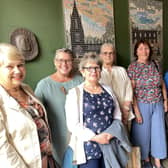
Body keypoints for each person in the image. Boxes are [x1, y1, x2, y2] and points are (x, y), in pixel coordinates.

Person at [65, 53, 131, 168]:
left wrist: (110, 134)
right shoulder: (75, 93)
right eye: (89, 68)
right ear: (82, 71)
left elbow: (117, 115)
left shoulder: (108, 90)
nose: (93, 71)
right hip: (89, 148)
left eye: (97, 68)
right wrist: (96, 138)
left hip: (109, 143)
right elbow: (73, 125)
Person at [0, 43, 58, 168]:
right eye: (10, 66)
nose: (17, 70)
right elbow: (2, 149)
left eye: (20, 65)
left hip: (47, 160)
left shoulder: (26, 88)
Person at [35, 48, 83, 167]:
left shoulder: (81, 81)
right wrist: (45, 141)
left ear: (73, 62)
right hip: (57, 138)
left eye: (68, 61)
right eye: (61, 60)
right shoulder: (44, 85)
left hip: (80, 135)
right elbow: (36, 115)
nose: (64, 64)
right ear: (55, 62)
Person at [127, 39, 167, 168]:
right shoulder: (133, 67)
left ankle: (157, 159)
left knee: (159, 132)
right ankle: (145, 159)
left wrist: (166, 100)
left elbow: (162, 84)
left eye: (147, 48)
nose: (145, 51)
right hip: (141, 103)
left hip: (157, 102)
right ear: (136, 52)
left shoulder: (156, 63)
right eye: (141, 48)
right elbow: (131, 91)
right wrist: (136, 111)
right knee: (142, 134)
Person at [99, 43, 134, 127]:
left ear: (114, 55)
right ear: (100, 55)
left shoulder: (122, 70)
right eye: (105, 53)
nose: (108, 55)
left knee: (125, 138)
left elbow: (129, 90)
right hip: (106, 115)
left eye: (111, 53)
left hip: (125, 112)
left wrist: (125, 111)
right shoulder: (97, 73)